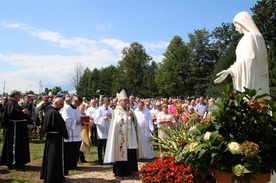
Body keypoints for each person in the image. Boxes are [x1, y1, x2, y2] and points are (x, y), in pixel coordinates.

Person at [214, 11, 269, 96]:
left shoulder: (250, 37)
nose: (236, 29)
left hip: (251, 78)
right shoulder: (254, 37)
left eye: (236, 26)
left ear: (242, 23)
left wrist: (230, 70)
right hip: (252, 76)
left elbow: (250, 58)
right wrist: (230, 70)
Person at [104, 89, 146, 176]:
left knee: (130, 153)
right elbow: (117, 123)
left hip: (130, 136)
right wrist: (127, 120)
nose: (126, 102)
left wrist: (132, 117)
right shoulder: (117, 111)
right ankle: (120, 170)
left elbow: (135, 123)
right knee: (121, 152)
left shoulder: (130, 110)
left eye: (127, 100)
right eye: (124, 100)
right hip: (120, 136)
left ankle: (130, 169)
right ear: (119, 101)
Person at [40, 97, 69, 183]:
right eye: (61, 104)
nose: (62, 106)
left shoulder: (49, 111)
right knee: (55, 157)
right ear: (56, 102)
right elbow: (60, 126)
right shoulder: (54, 113)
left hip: (51, 138)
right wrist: (65, 134)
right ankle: (55, 177)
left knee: (50, 157)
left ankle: (49, 176)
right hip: (56, 138)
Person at [0, 90, 30, 168]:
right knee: (14, 145)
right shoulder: (11, 103)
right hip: (14, 129)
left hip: (19, 128)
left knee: (19, 144)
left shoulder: (15, 103)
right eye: (19, 94)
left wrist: (24, 112)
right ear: (14, 95)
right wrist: (23, 112)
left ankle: (19, 160)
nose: (20, 96)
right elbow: (12, 114)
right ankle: (13, 162)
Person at [61, 96, 83, 175]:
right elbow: (65, 119)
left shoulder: (77, 109)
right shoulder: (67, 108)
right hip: (69, 132)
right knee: (69, 150)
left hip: (76, 133)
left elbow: (80, 117)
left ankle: (74, 164)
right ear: (75, 101)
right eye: (78, 103)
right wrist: (74, 122)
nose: (79, 105)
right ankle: (69, 165)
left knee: (75, 149)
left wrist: (84, 120)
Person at [94, 97, 113, 165]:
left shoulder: (110, 109)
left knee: (107, 144)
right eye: (106, 102)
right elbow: (96, 120)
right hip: (102, 129)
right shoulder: (99, 110)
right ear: (104, 102)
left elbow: (113, 118)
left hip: (108, 129)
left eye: (108, 102)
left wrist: (111, 117)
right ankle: (100, 158)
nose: (107, 103)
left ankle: (106, 158)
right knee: (100, 144)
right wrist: (103, 118)